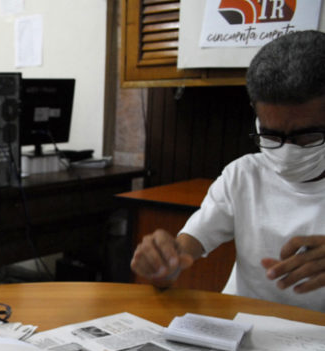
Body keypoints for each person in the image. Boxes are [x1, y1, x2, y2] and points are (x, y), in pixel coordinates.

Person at [130, 30, 325, 312]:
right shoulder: (244, 176)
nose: (288, 150)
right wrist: (166, 263)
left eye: (307, 137)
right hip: (245, 332)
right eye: (271, 136)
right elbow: (188, 245)